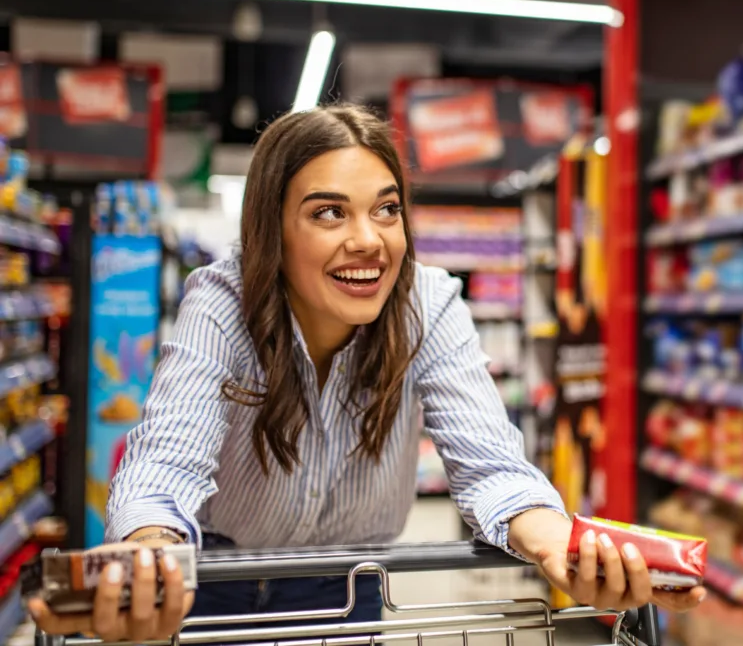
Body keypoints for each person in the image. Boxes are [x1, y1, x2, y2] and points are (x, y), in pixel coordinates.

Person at [30, 105, 706, 642]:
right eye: (329, 213)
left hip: (349, 584)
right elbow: (165, 462)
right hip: (214, 587)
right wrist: (150, 556)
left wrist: (558, 542)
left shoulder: (428, 304)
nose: (369, 239)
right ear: (274, 230)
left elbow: (492, 466)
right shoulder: (224, 301)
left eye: (386, 209)